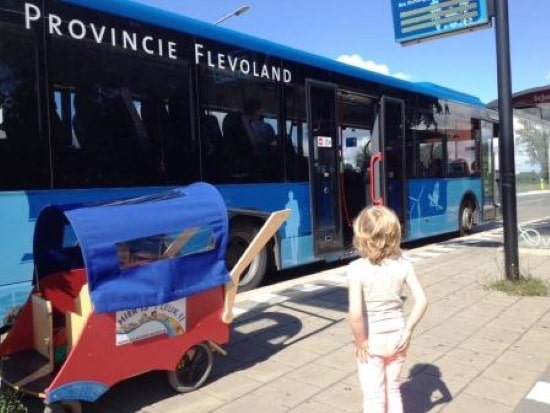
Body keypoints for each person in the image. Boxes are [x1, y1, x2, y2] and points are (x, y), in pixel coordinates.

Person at [347, 205, 428, 413]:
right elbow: (422, 300)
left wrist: (360, 340)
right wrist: (408, 331)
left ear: (362, 236)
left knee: (374, 396)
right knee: (393, 389)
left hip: (372, 338)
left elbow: (355, 314)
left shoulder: (356, 269)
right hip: (398, 336)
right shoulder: (404, 265)